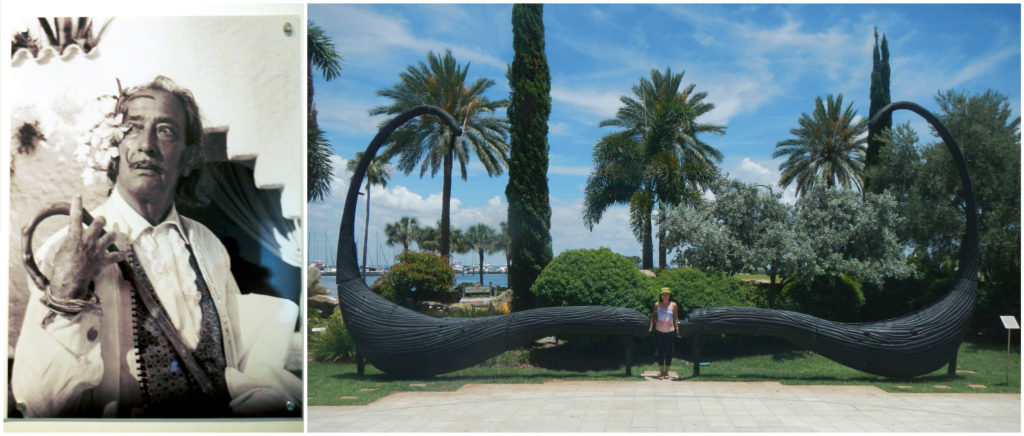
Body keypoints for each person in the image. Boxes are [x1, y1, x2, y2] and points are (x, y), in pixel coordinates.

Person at [11, 76, 301, 418]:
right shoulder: (67, 251)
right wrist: (65, 294)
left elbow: (236, 356)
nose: (146, 144)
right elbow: (38, 406)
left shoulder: (208, 246)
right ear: (113, 147)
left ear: (189, 156)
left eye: (165, 130)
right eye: (132, 128)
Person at [648, 287, 680, 380]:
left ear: (670, 295)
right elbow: (653, 316)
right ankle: (661, 372)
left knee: (669, 352)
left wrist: (678, 330)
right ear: (661, 295)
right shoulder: (657, 304)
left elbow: (676, 318)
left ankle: (667, 372)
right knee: (660, 352)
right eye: (663, 294)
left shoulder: (673, 305)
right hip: (659, 331)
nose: (665, 296)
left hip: (670, 331)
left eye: (666, 294)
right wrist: (650, 327)